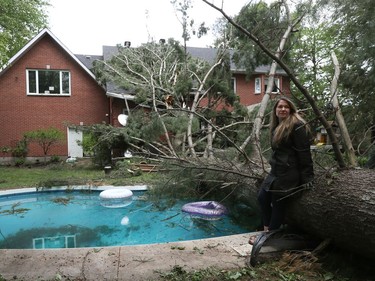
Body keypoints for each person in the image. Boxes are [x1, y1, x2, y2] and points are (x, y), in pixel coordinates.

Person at [249, 97, 314, 244]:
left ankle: (269, 236)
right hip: (276, 171)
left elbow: (304, 153)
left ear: (291, 110)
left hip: (290, 173)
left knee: (277, 202)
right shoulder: (277, 126)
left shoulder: (296, 126)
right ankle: (266, 231)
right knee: (262, 197)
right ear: (275, 110)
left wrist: (307, 178)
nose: (283, 109)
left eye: (286, 107)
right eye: (280, 107)